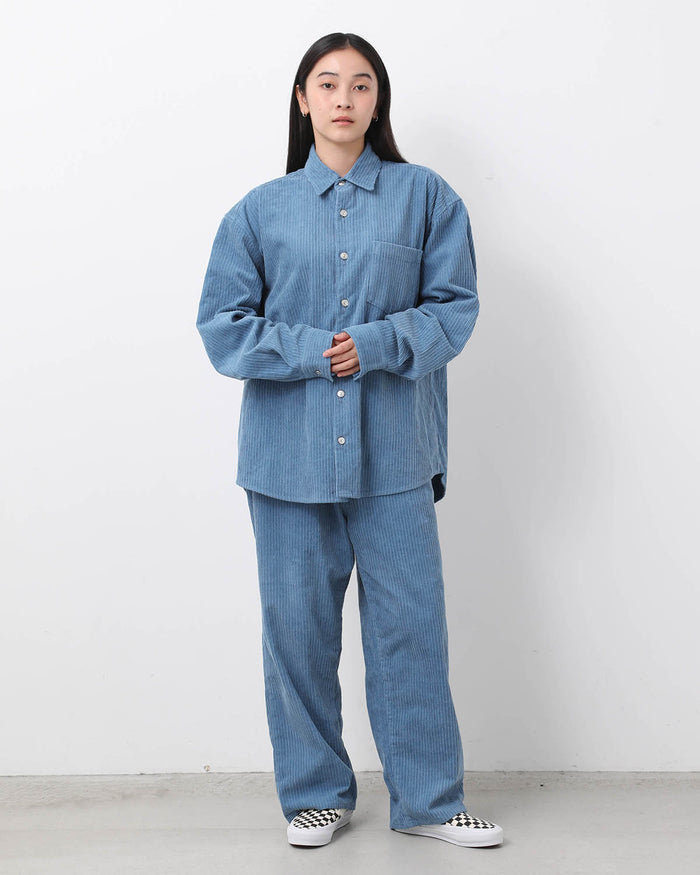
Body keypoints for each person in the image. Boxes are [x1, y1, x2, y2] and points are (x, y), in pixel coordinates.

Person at [196, 32, 504, 850]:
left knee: (411, 630)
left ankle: (430, 800)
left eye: (361, 84)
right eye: (327, 84)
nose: (344, 98)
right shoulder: (257, 211)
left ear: (378, 100)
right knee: (297, 631)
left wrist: (373, 343)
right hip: (286, 460)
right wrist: (312, 350)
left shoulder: (426, 197)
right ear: (303, 99)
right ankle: (314, 794)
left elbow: (454, 309)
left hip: (396, 455)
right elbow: (222, 326)